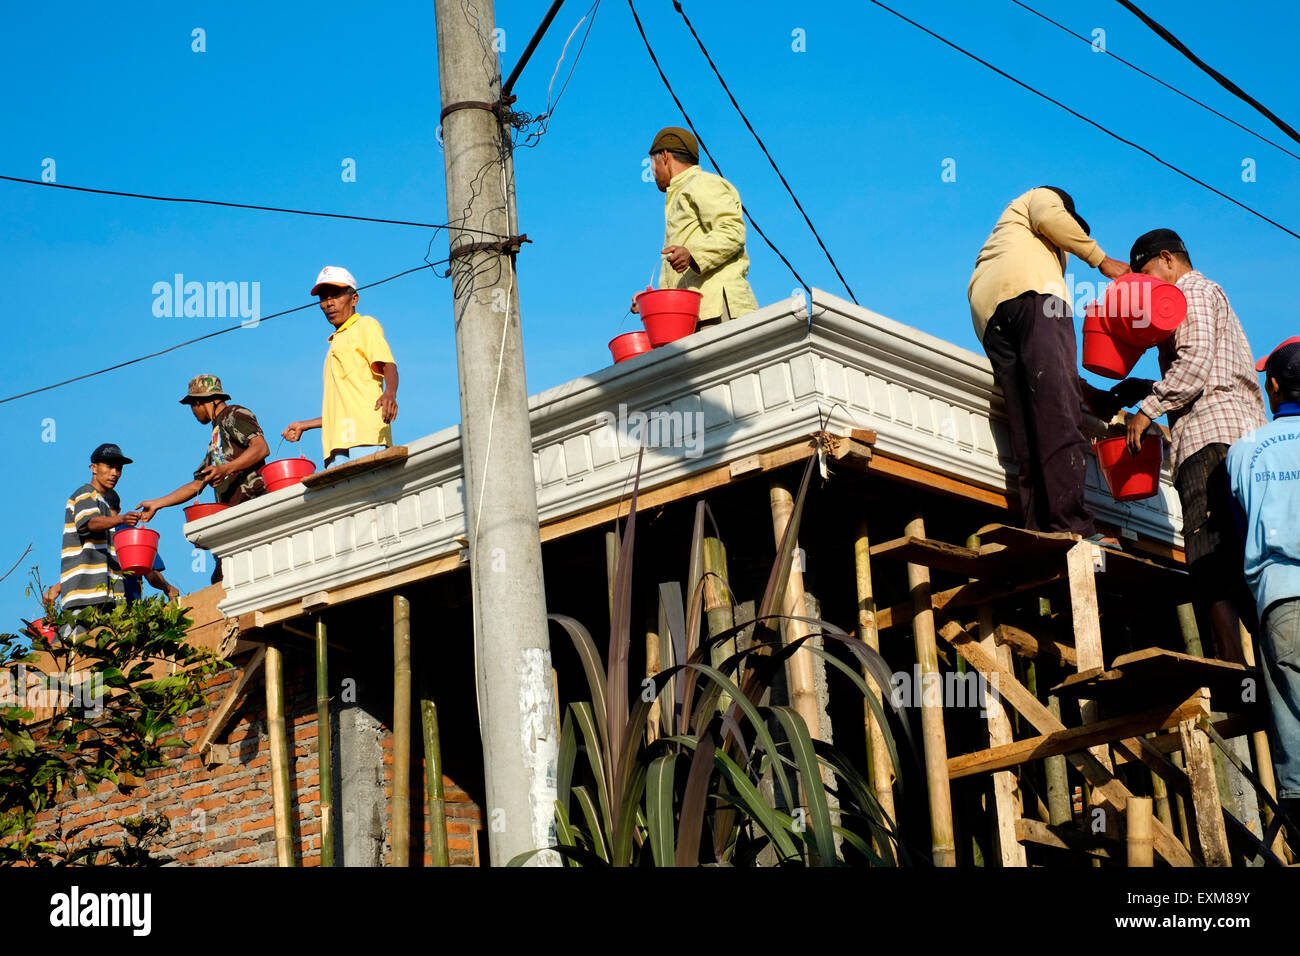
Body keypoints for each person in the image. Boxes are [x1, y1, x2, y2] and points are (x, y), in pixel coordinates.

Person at [1105, 230, 1267, 661]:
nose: (1148, 288)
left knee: (1206, 549)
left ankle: (1233, 668)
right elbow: (1200, 365)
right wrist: (1140, 389)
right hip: (1238, 437)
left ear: (1167, 260)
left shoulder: (1189, 291)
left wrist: (1148, 408)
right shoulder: (1208, 293)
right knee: (1245, 555)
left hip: (1210, 439)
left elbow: (1193, 365)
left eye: (1147, 275)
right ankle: (1272, 665)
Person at [968, 186, 1130, 537]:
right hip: (1034, 299)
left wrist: (1082, 389)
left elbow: (1047, 374)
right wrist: (1101, 259)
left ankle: (1039, 527)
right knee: (1058, 417)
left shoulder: (1008, 242)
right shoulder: (1040, 197)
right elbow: (1049, 216)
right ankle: (1071, 525)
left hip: (992, 318)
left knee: (1029, 426)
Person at [1225, 336, 1300, 819]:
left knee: (1293, 718)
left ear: (1272, 386)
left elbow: (1239, 528)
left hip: (1281, 599)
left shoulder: (1245, 450)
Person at [639, 126, 758, 327]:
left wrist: (692, 254)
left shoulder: (701, 183)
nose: (652, 170)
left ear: (665, 156)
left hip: (718, 309)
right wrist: (651, 301)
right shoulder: (680, 193)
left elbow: (732, 230)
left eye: (653, 161)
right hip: (695, 315)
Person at [282, 266, 398, 468]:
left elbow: (388, 364)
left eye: (335, 295)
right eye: (323, 298)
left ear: (354, 299)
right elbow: (341, 409)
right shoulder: (335, 343)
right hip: (336, 445)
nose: (328, 304)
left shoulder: (365, 326)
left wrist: (390, 392)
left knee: (371, 495)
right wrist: (305, 425)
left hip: (365, 437)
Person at [60, 443, 176, 614]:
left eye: (119, 468)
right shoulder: (85, 493)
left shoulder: (103, 504)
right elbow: (89, 523)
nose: (115, 473)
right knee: (77, 639)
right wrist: (121, 519)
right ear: (93, 467)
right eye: (109, 466)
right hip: (85, 597)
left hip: (108, 600)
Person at [136, 374, 270, 519]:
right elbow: (197, 484)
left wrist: (225, 469)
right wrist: (157, 503)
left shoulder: (233, 414)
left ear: (198, 401)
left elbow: (261, 448)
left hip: (257, 505)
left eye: (191, 405)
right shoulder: (216, 439)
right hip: (235, 515)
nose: (192, 411)